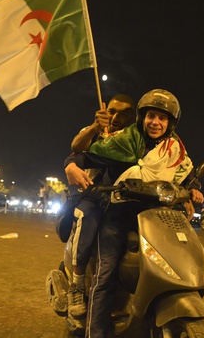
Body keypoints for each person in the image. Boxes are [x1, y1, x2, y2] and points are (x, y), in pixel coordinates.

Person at [64, 89, 204, 338]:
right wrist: (71, 165)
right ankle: (95, 332)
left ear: (170, 123)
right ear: (142, 118)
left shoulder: (173, 150)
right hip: (118, 214)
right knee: (105, 273)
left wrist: (193, 189)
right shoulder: (122, 140)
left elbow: (187, 173)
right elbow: (82, 155)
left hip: (154, 217)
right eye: (151, 116)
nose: (156, 123)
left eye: (162, 118)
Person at [61, 94, 137, 319]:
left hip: (124, 200)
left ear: (132, 117)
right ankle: (77, 285)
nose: (116, 117)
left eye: (123, 114)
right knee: (88, 221)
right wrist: (95, 127)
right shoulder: (94, 131)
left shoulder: (132, 138)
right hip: (94, 196)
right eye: (112, 111)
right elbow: (77, 148)